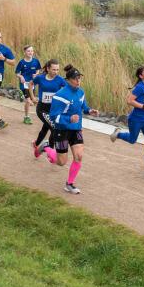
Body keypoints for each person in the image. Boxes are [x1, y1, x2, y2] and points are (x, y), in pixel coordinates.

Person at [42, 65, 99, 194]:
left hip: (76, 129)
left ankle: (69, 184)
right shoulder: (59, 95)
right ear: (68, 80)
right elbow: (53, 117)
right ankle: (46, 147)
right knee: (61, 162)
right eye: (75, 78)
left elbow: (83, 107)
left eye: (79, 78)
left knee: (79, 156)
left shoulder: (81, 92)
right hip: (62, 130)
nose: (78, 81)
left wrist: (90, 111)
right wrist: (69, 119)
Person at [110, 65, 144, 179]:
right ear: (141, 76)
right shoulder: (139, 87)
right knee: (132, 140)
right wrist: (143, 107)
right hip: (136, 119)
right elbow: (129, 100)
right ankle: (118, 134)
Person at [31, 59, 66, 159]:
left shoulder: (60, 80)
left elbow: (67, 89)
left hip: (53, 110)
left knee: (46, 127)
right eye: (54, 69)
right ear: (48, 69)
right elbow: (31, 84)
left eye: (57, 70)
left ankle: (37, 144)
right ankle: (50, 151)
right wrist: (33, 97)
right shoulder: (40, 78)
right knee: (54, 128)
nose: (56, 72)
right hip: (42, 109)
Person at [14, 45, 40, 125]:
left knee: (29, 102)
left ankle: (26, 117)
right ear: (24, 52)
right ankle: (24, 96)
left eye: (31, 51)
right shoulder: (21, 62)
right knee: (29, 101)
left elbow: (38, 70)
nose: (30, 52)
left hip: (32, 84)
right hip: (24, 84)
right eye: (28, 51)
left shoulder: (36, 61)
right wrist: (21, 77)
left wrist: (36, 74)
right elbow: (17, 73)